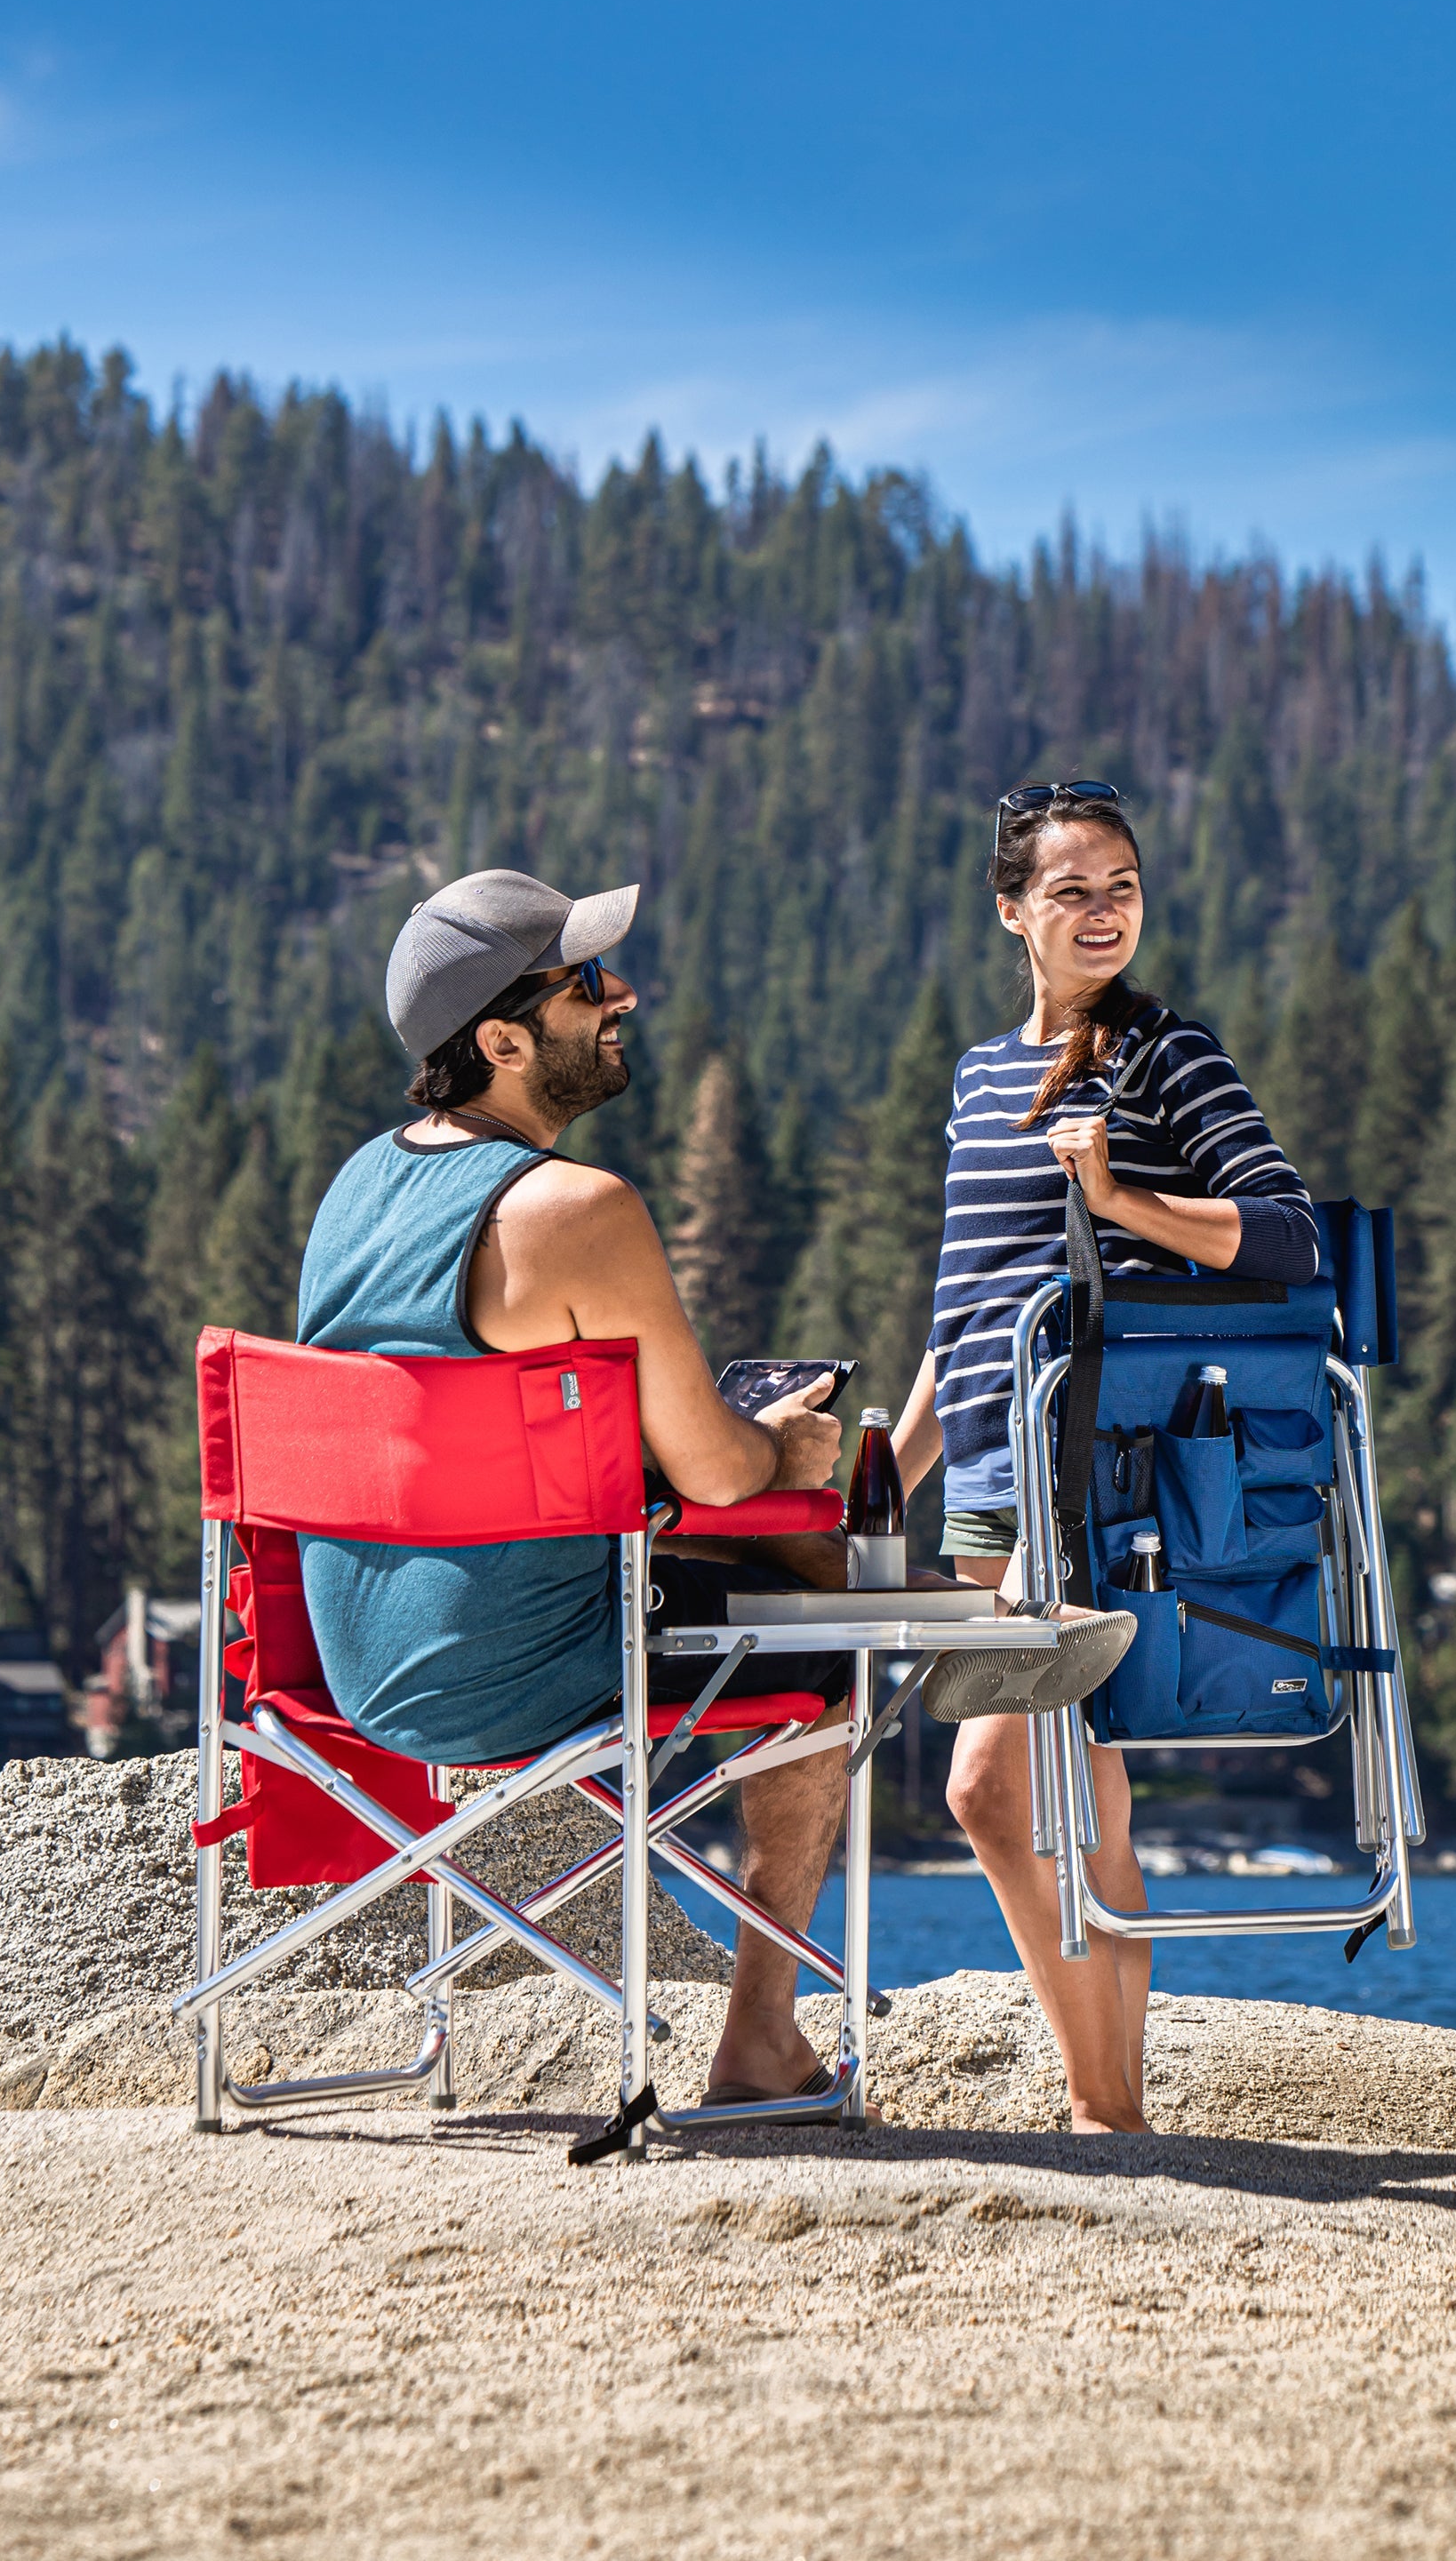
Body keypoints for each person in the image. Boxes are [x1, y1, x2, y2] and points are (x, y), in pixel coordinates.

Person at [295, 861, 1125, 2109]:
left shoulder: (353, 1192)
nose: (621, 992)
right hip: (527, 1662)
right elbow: (722, 1470)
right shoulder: (575, 1208)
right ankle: (761, 2029)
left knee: (738, 1552)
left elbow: (454, 1434)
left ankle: (972, 1615)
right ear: (506, 1040)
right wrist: (780, 1448)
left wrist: (681, 1480)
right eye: (586, 984)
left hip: (349, 1672)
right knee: (807, 1645)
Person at [890, 781, 1319, 2133]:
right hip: (978, 1474)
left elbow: (1289, 1237)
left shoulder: (1168, 1057)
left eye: (1121, 886)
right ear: (1012, 910)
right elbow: (963, 1307)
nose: (1102, 913)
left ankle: (1105, 2108)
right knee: (1078, 1798)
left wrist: (1122, 1198)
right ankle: (1113, 2104)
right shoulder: (976, 1078)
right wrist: (887, 1467)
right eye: (1071, 891)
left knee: (993, 1784)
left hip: (1090, 1468)